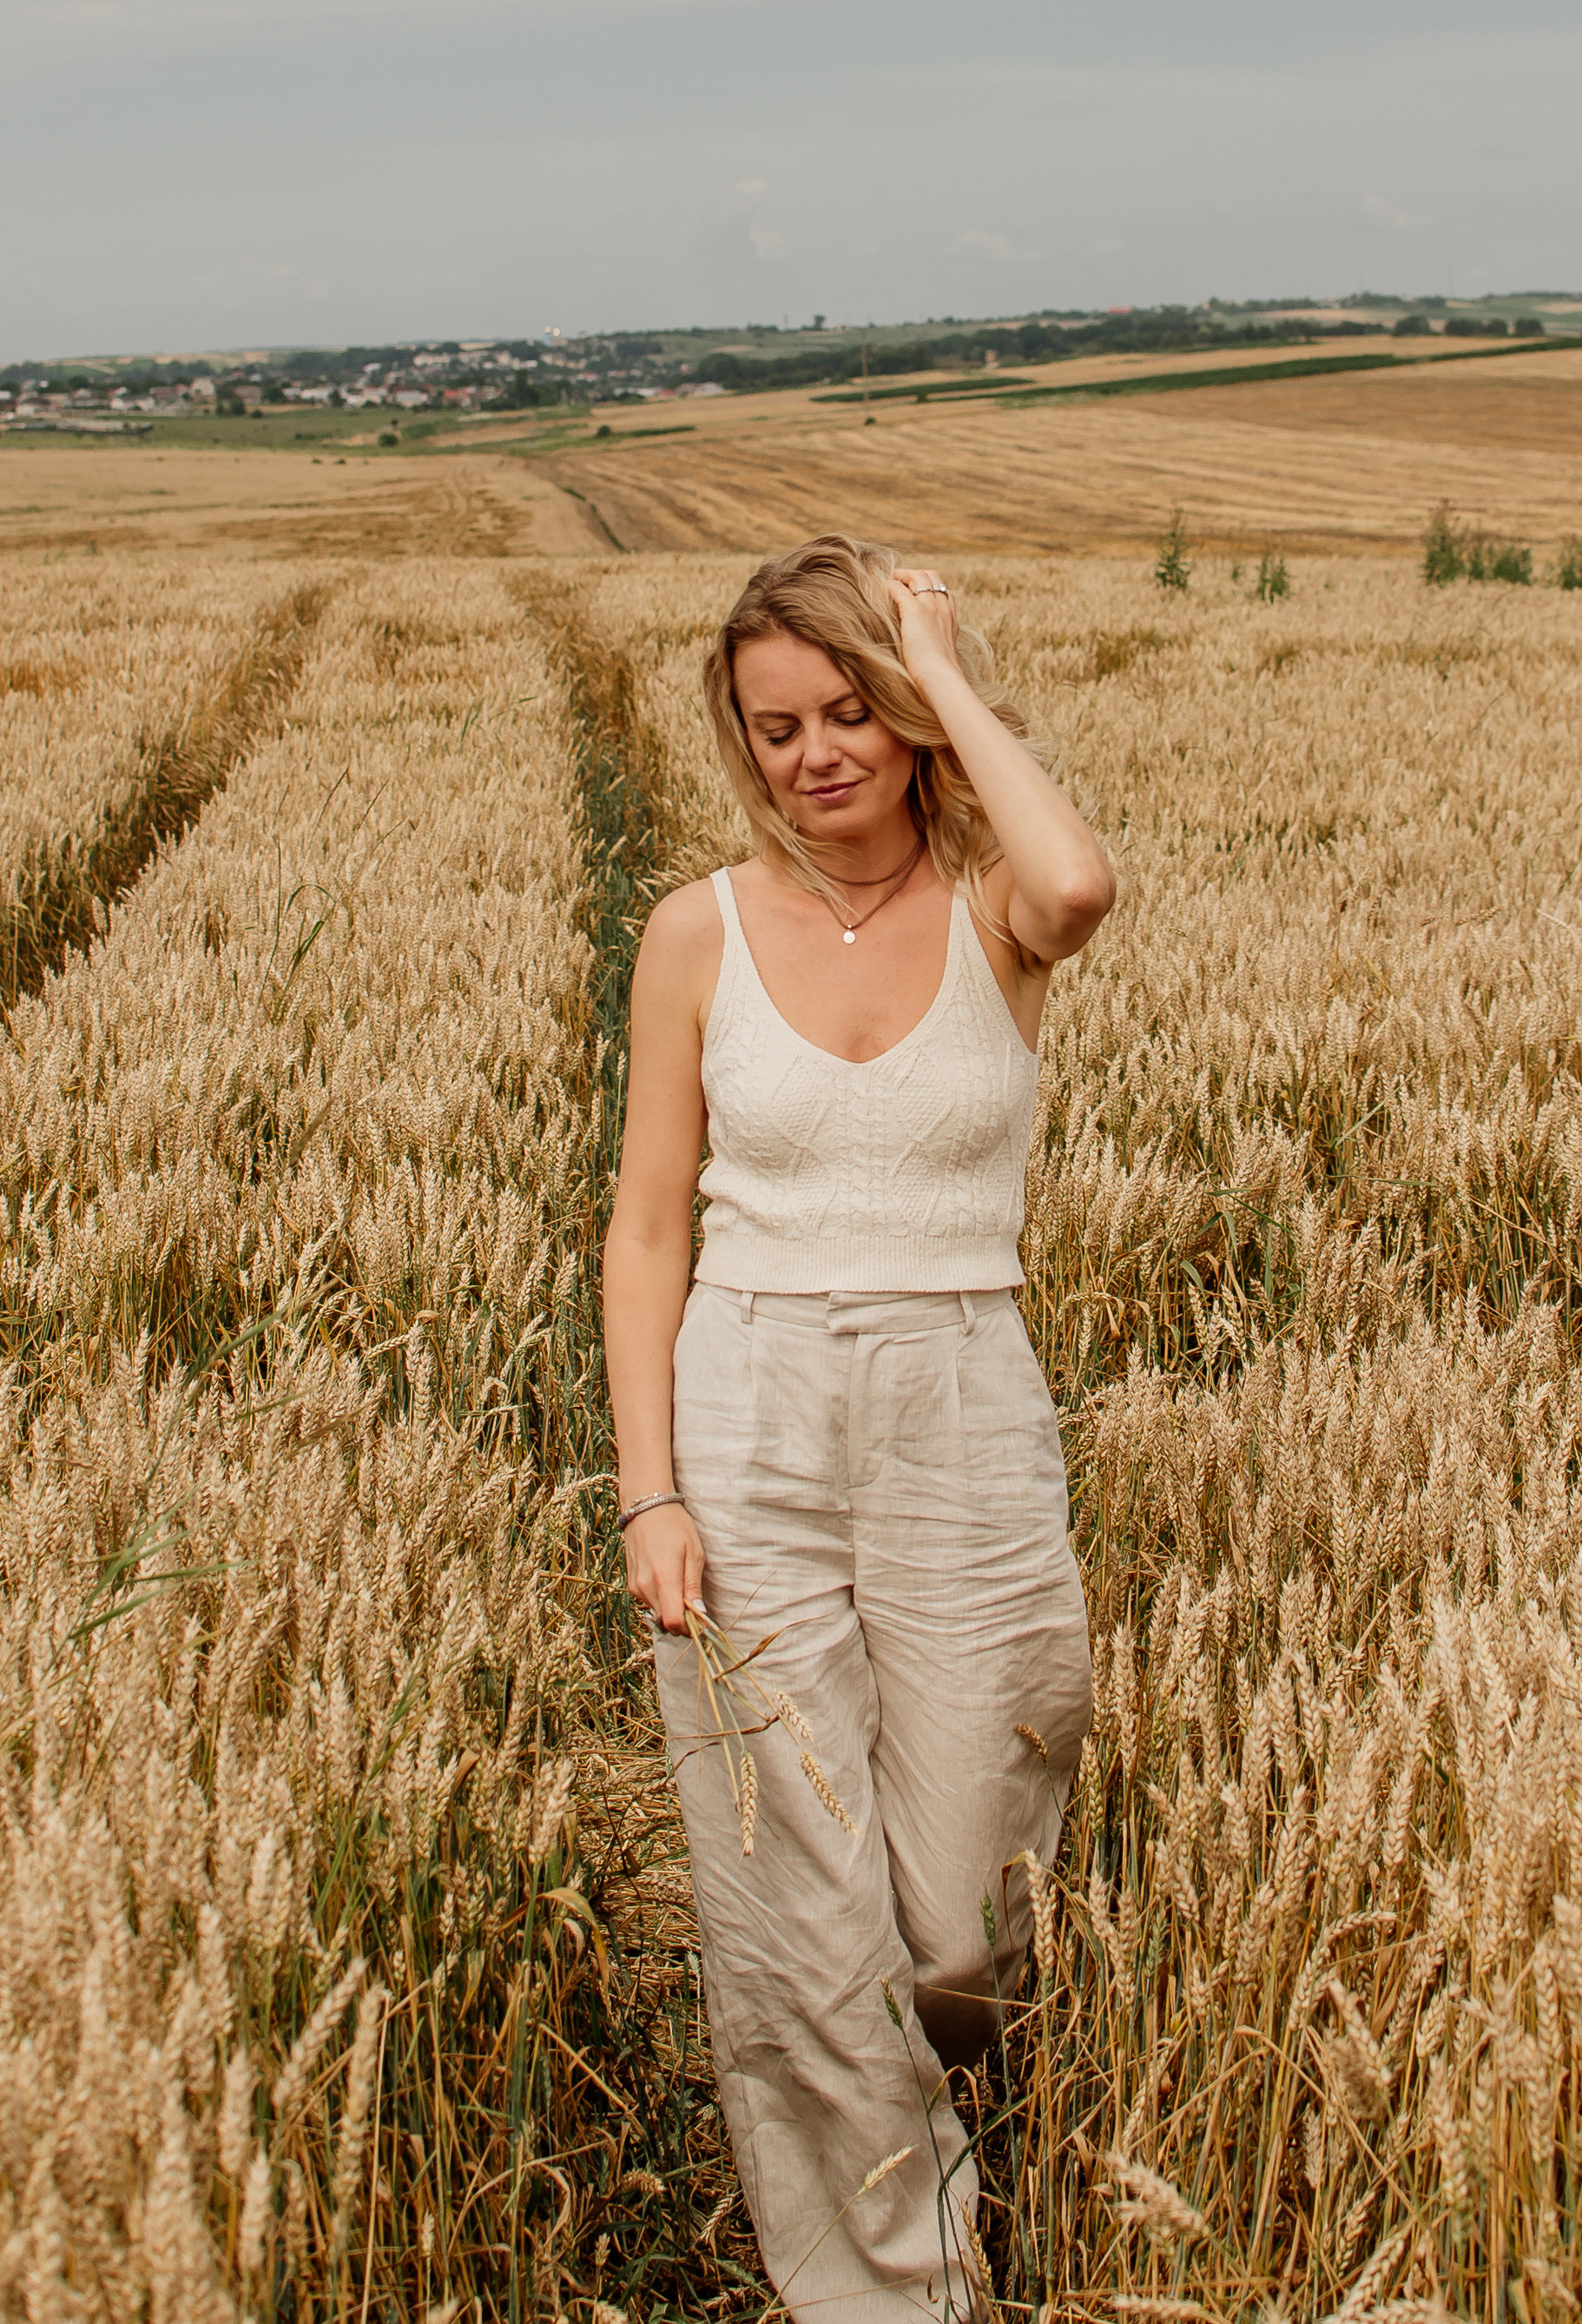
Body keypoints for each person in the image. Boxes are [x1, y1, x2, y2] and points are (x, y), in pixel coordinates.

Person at [602, 533, 1116, 2322]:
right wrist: (651, 1488)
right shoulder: (697, 932)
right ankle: (904, 2291)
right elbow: (647, 1226)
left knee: (964, 1903)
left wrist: (943, 657)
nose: (811, 755)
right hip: (747, 1409)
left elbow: (1080, 879)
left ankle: (937, 2115)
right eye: (770, 729)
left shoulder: (991, 910)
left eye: (844, 713)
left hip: (965, 1406)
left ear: (900, 722)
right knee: (791, 1901)